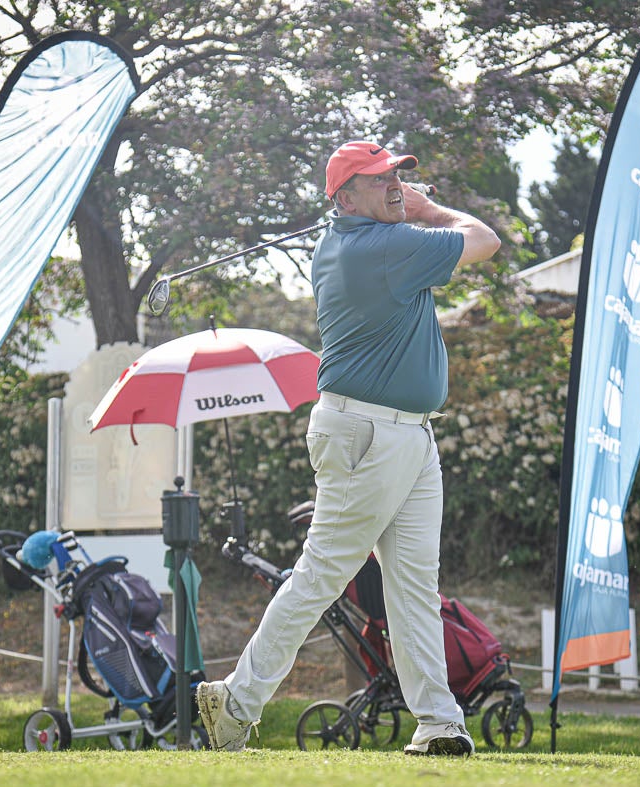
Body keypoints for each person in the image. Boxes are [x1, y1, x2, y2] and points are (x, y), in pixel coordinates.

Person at [196, 141, 501, 755]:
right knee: (322, 575)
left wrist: (404, 210)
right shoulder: (387, 247)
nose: (394, 183)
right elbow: (486, 239)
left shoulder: (345, 243)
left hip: (406, 433)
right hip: (369, 432)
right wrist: (430, 212)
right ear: (346, 196)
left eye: (398, 176)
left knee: (414, 586)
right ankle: (236, 700)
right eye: (379, 178)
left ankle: (439, 722)